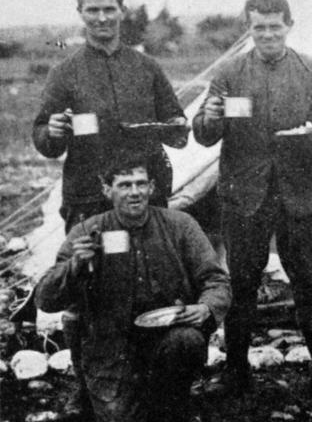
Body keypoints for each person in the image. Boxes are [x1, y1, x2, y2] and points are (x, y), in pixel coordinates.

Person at [29, 0, 187, 419]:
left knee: (146, 282)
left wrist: (177, 127)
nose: (102, 18)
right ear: (80, 13)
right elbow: (44, 137)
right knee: (86, 289)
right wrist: (53, 130)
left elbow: (177, 125)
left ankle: (145, 381)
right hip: (89, 201)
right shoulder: (66, 71)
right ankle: (85, 386)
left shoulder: (146, 68)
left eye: (109, 9)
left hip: (145, 200)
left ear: (122, 10)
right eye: (92, 10)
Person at [192, 0, 312, 397]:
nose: (266, 35)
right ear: (249, 28)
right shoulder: (229, 73)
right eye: (258, 27)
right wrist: (207, 119)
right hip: (245, 193)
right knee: (242, 283)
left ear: (289, 26)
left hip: (302, 192)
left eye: (274, 27)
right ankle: (235, 371)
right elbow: (205, 133)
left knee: (310, 282)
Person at [35, 157, 231, 422]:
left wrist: (206, 307)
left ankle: (172, 400)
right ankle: (102, 394)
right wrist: (75, 265)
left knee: (186, 342)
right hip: (112, 347)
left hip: (167, 335)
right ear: (107, 190)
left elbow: (215, 280)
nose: (135, 192)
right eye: (125, 185)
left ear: (151, 187)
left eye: (141, 184)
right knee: (118, 415)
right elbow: (45, 300)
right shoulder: (87, 231)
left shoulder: (180, 225)